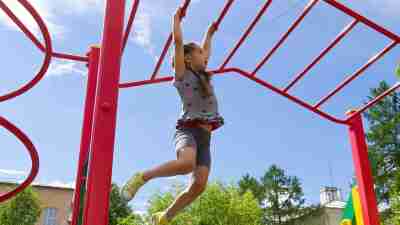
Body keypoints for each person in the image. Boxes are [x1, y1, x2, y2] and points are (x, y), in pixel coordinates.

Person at [121, 6, 224, 225]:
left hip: (205, 138)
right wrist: (176, 19)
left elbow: (207, 50)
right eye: (199, 54)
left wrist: (210, 32)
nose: (204, 57)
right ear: (187, 59)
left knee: (199, 186)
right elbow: (178, 43)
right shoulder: (182, 74)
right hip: (188, 130)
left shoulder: (203, 75)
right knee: (186, 164)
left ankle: (164, 217)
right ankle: (142, 177)